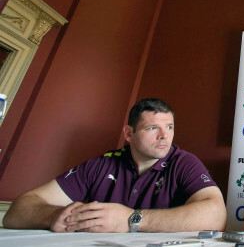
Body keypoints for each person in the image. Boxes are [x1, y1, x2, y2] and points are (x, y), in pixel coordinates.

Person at [3, 98, 226, 233]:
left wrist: (131, 219)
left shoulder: (184, 162)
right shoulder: (101, 165)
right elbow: (16, 212)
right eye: (152, 128)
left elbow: (216, 215)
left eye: (169, 127)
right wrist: (53, 216)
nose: (164, 136)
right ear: (129, 133)